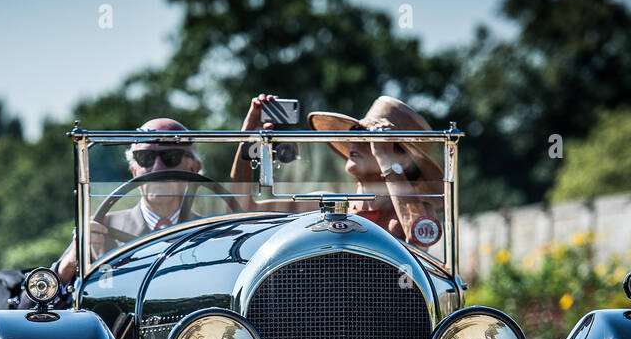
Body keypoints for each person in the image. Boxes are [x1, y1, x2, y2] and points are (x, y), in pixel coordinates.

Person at [234, 94, 444, 248]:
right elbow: (243, 209)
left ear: (398, 156)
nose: (354, 140)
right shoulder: (326, 204)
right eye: (355, 131)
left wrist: (385, 159)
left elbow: (417, 241)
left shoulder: (419, 211)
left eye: (369, 137)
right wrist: (246, 139)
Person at [51, 118, 204, 289]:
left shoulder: (213, 234)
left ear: (194, 168)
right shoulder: (100, 228)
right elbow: (33, 305)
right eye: (145, 158)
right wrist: (71, 263)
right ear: (133, 171)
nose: (157, 167)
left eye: (171, 157)